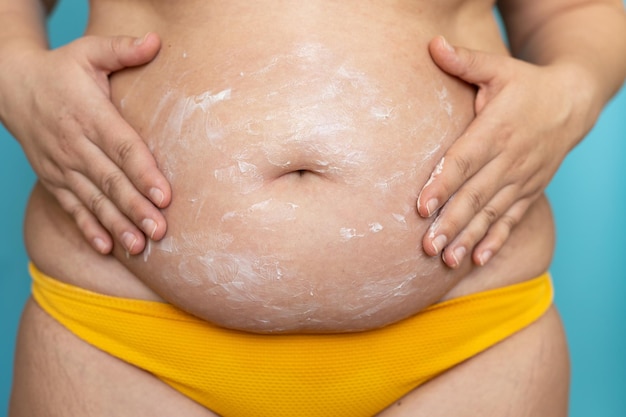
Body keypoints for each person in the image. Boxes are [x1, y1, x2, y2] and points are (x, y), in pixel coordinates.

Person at [1, 0, 625, 416]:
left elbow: (576, 8)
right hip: (121, 337)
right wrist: (16, 74)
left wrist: (573, 88)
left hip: (466, 340)